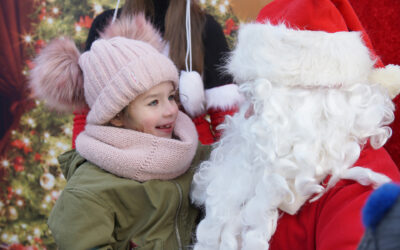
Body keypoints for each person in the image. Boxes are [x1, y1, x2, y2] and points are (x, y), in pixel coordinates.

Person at [190, 0, 400, 249]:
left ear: (318, 103)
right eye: (249, 95)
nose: (246, 114)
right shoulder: (274, 165)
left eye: (261, 99)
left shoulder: (364, 192)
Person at [29, 15, 211, 249]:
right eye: (153, 103)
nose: (171, 110)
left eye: (171, 96)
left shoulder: (189, 155)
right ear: (116, 115)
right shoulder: (89, 192)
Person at [72, 0, 243, 147]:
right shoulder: (107, 25)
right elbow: (86, 113)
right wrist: (78, 165)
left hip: (193, 159)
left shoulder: (206, 28)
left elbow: (227, 120)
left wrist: (227, 173)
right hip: (123, 156)